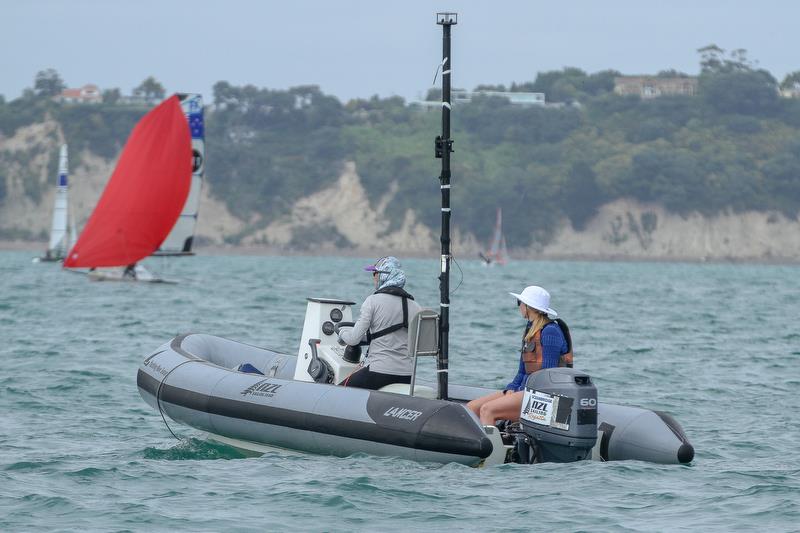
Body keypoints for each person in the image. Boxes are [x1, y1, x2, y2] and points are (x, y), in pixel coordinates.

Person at [466, 285, 571, 426]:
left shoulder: (550, 332)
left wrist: (518, 392)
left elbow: (547, 376)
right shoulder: (531, 330)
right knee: (472, 408)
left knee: (487, 410)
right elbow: (522, 371)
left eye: (520, 302)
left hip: (542, 396)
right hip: (526, 390)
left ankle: (492, 447)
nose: (519, 306)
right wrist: (512, 388)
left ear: (528, 306)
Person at [337, 256, 422, 390]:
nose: (373, 278)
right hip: (407, 375)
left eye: (375, 273)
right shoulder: (415, 306)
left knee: (337, 391)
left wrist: (341, 333)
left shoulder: (372, 301)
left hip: (379, 372)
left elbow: (353, 340)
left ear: (385, 275)